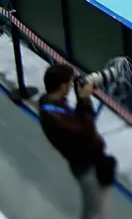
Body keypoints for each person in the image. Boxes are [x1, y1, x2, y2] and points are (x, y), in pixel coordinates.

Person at [40, 64, 117, 219]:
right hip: (84, 164)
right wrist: (84, 99)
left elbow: (77, 123)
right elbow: (86, 129)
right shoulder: (54, 116)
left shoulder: (51, 104)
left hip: (86, 159)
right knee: (94, 209)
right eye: (69, 83)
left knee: (96, 204)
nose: (71, 85)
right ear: (62, 86)